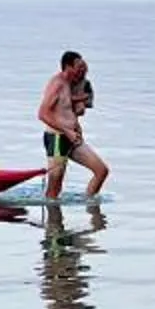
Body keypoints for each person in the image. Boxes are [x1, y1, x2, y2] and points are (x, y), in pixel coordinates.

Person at [37, 48, 108, 199]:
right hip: (57, 138)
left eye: (84, 68)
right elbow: (42, 114)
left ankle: (90, 205)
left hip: (73, 138)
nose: (82, 71)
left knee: (101, 171)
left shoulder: (73, 85)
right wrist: (67, 131)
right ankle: (53, 214)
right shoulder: (57, 84)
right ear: (68, 67)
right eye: (79, 67)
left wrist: (76, 124)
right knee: (54, 189)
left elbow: (68, 110)